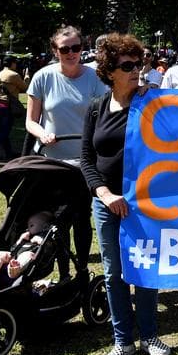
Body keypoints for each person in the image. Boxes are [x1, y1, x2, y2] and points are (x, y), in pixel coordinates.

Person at [81, 32, 172, 355]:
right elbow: (87, 159)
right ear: (109, 72)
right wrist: (104, 194)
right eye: (128, 66)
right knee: (113, 273)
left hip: (142, 203)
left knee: (145, 269)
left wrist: (155, 99)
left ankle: (149, 336)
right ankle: (123, 342)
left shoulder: (149, 103)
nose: (136, 70)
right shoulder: (96, 108)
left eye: (139, 63)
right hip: (107, 203)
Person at [25, 25, 106, 280]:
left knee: (81, 217)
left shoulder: (94, 77)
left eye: (76, 48)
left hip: (85, 160)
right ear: (55, 51)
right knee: (58, 220)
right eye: (65, 49)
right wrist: (42, 134)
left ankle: (81, 270)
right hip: (52, 161)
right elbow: (31, 121)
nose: (71, 53)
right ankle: (63, 274)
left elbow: (105, 115)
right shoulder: (43, 77)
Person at [0, 211, 53, 288]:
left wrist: (39, 240)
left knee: (27, 256)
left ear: (44, 227)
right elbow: (17, 245)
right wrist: (21, 239)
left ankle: (14, 269)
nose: (28, 227)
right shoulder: (27, 234)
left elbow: (47, 246)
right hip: (13, 254)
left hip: (29, 255)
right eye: (28, 225)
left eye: (31, 225)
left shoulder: (43, 236)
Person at [0, 56, 29, 160]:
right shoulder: (13, 75)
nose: (16, 65)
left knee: (4, 130)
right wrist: (27, 77)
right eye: (15, 63)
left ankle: (9, 152)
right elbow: (26, 88)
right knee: (4, 131)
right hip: (8, 106)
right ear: (12, 63)